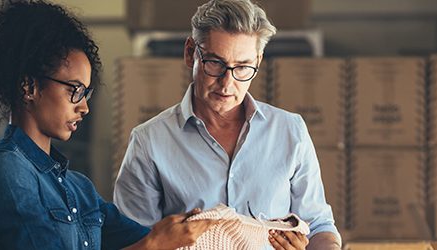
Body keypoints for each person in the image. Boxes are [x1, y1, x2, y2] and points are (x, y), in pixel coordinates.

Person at [0, 1, 219, 249]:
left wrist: (196, 227)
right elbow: (151, 243)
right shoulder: (5, 172)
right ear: (29, 87)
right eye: (75, 90)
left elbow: (150, 237)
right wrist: (153, 245)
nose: (84, 107)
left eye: (86, 93)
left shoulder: (79, 189)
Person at [113, 0, 342, 249]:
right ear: (190, 53)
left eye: (243, 67)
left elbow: (319, 227)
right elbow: (131, 241)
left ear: (258, 60)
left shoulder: (290, 131)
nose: (227, 83)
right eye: (215, 63)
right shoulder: (149, 142)